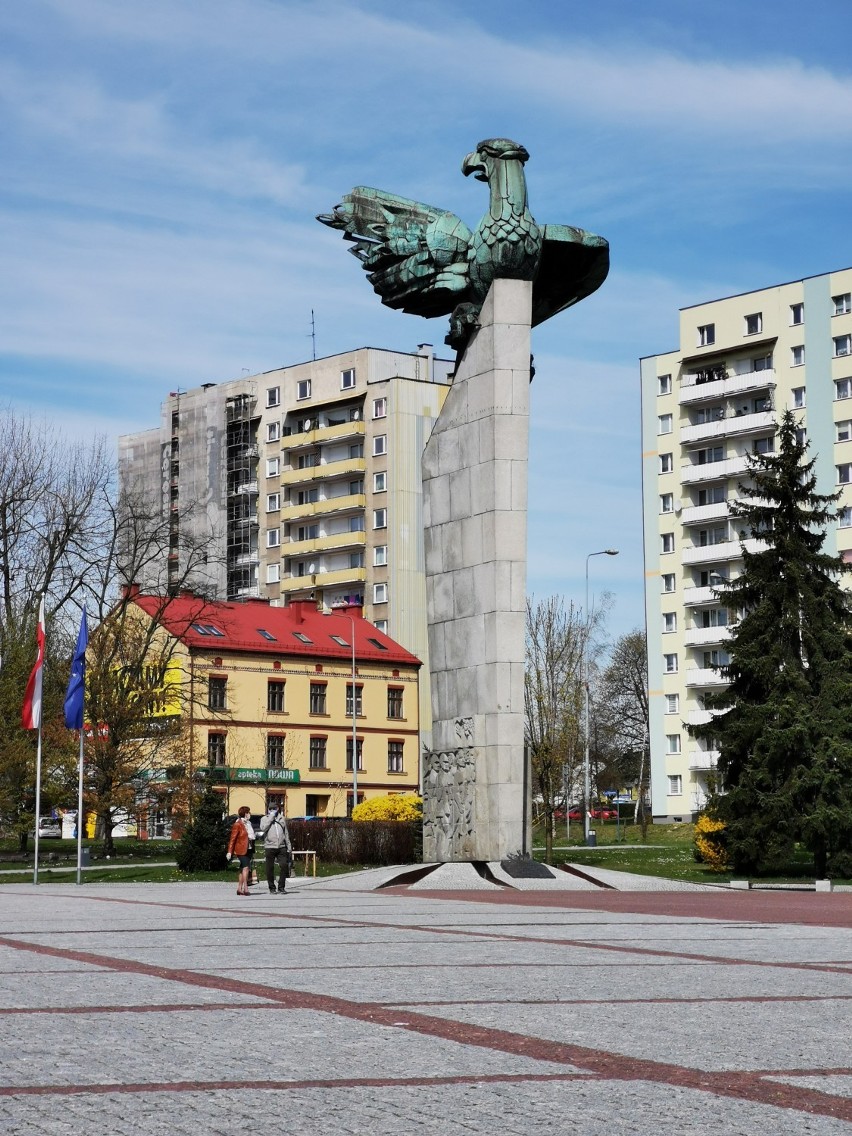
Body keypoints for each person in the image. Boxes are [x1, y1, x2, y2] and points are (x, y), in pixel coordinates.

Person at [259, 804, 293, 893]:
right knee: (269, 868)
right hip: (270, 846)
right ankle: (272, 888)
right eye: (270, 809)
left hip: (281, 846)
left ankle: (281, 887)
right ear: (268, 809)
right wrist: (271, 817)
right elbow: (263, 828)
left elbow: (286, 833)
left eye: (274, 808)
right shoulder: (264, 819)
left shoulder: (282, 818)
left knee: (284, 865)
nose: (272, 810)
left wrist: (289, 846)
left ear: (278, 809)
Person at [226, 806, 255, 896]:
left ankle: (239, 888)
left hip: (249, 848)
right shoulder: (238, 824)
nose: (250, 814)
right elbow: (232, 839)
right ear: (245, 813)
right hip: (241, 849)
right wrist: (230, 851)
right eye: (248, 812)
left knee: (243, 868)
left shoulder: (249, 823)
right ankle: (245, 888)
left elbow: (251, 837)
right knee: (246, 867)